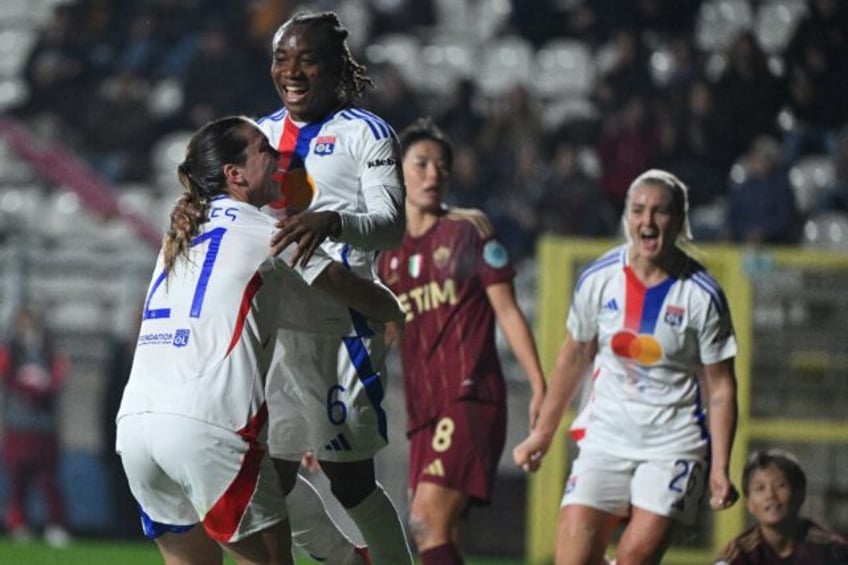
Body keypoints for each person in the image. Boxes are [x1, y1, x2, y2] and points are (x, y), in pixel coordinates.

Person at [115, 115, 403, 565]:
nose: (278, 157)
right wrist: (393, 307)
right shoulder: (271, 233)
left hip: (136, 429)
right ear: (235, 175)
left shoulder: (179, 237)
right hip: (207, 429)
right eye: (264, 150)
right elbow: (361, 299)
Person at [513, 169, 740, 564]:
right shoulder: (599, 279)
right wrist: (542, 435)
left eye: (660, 212)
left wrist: (720, 467)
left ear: (679, 220)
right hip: (606, 437)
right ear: (626, 217)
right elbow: (573, 357)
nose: (648, 221)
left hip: (673, 444)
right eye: (638, 210)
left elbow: (721, 388)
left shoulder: (702, 295)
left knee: (634, 559)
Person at [255, 11, 412, 565]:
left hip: (343, 326)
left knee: (351, 482)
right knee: (265, 482)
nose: (292, 71)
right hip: (276, 332)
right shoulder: (260, 135)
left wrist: (333, 221)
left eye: (307, 58)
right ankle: (345, 560)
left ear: (334, 66)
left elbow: (393, 224)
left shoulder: (365, 133)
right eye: (282, 57)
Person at [377, 118, 547, 564]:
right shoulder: (387, 255)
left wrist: (539, 387)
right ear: (398, 171)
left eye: (442, 166)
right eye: (422, 164)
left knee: (426, 517)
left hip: (470, 395)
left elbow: (507, 309)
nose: (433, 174)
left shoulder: (469, 230)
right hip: (423, 409)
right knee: (441, 531)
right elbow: (384, 337)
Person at [0, 305, 71, 547]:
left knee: (48, 480)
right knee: (17, 480)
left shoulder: (51, 352)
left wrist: (41, 388)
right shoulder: (10, 351)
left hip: (44, 428)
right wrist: (29, 388)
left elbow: (58, 378)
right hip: (18, 427)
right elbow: (8, 379)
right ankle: (18, 523)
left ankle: (56, 524)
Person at [715, 449, 848, 564]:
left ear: (799, 494)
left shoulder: (831, 549)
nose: (770, 495)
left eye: (780, 485)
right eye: (760, 488)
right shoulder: (738, 556)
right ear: (749, 503)